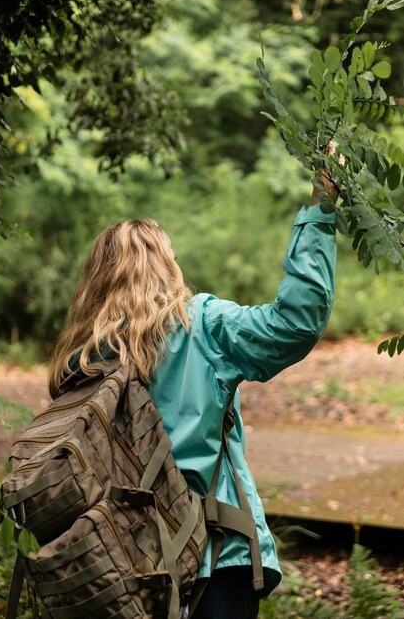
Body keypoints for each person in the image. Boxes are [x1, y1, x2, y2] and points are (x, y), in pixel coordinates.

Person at [48, 169, 338, 619]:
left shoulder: (78, 360)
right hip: (212, 558)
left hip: (117, 569)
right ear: (166, 267)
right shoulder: (199, 326)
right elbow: (295, 323)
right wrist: (320, 211)